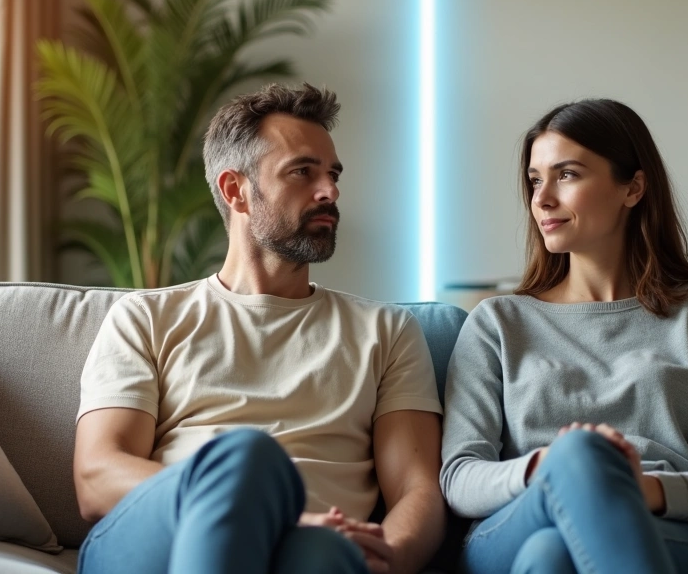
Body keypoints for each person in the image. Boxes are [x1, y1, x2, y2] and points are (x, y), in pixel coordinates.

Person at [74, 83, 445, 574]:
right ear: (236, 191)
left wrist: (390, 552)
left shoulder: (387, 331)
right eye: (302, 172)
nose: (329, 191)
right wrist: (270, 510)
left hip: (321, 549)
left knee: (322, 556)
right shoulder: (146, 317)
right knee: (249, 458)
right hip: (156, 542)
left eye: (332, 174)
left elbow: (418, 489)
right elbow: (97, 475)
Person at [440, 98, 688, 574]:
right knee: (576, 462)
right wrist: (557, 469)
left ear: (633, 188)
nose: (541, 198)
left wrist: (638, 487)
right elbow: (461, 477)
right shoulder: (497, 323)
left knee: (549, 556)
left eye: (566, 175)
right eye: (534, 179)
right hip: (518, 520)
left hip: (678, 531)